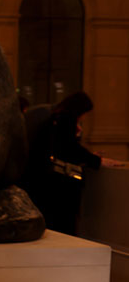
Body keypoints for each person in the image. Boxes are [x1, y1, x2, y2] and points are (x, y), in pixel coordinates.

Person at [24, 91, 102, 235]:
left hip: (42, 181)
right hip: (60, 185)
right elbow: (69, 148)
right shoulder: (66, 119)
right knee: (64, 225)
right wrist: (95, 160)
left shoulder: (51, 116)